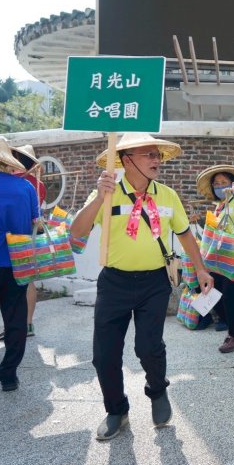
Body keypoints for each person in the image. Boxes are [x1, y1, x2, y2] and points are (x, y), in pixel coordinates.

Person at [71, 132, 214, 441]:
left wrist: (201, 269)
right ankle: (116, 410)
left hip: (155, 282)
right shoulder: (106, 192)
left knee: (148, 347)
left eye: (157, 154)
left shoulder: (168, 196)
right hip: (114, 283)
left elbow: (185, 234)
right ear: (127, 160)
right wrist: (98, 198)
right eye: (148, 154)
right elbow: (77, 232)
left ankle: (158, 391)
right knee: (104, 354)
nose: (156, 160)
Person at [0, 136, 37, 391]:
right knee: (15, 319)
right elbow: (34, 223)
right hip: (18, 262)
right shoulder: (26, 187)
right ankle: (9, 375)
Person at [0, 145, 47, 341]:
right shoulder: (37, 184)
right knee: (27, 280)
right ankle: (26, 324)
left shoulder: (20, 182)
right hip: (28, 238)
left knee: (11, 285)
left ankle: (15, 326)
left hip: (12, 239)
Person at [194, 164, 234, 352]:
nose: (220, 186)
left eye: (224, 182)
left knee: (229, 298)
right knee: (211, 293)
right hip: (218, 259)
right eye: (216, 184)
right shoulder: (219, 205)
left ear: (232, 184)